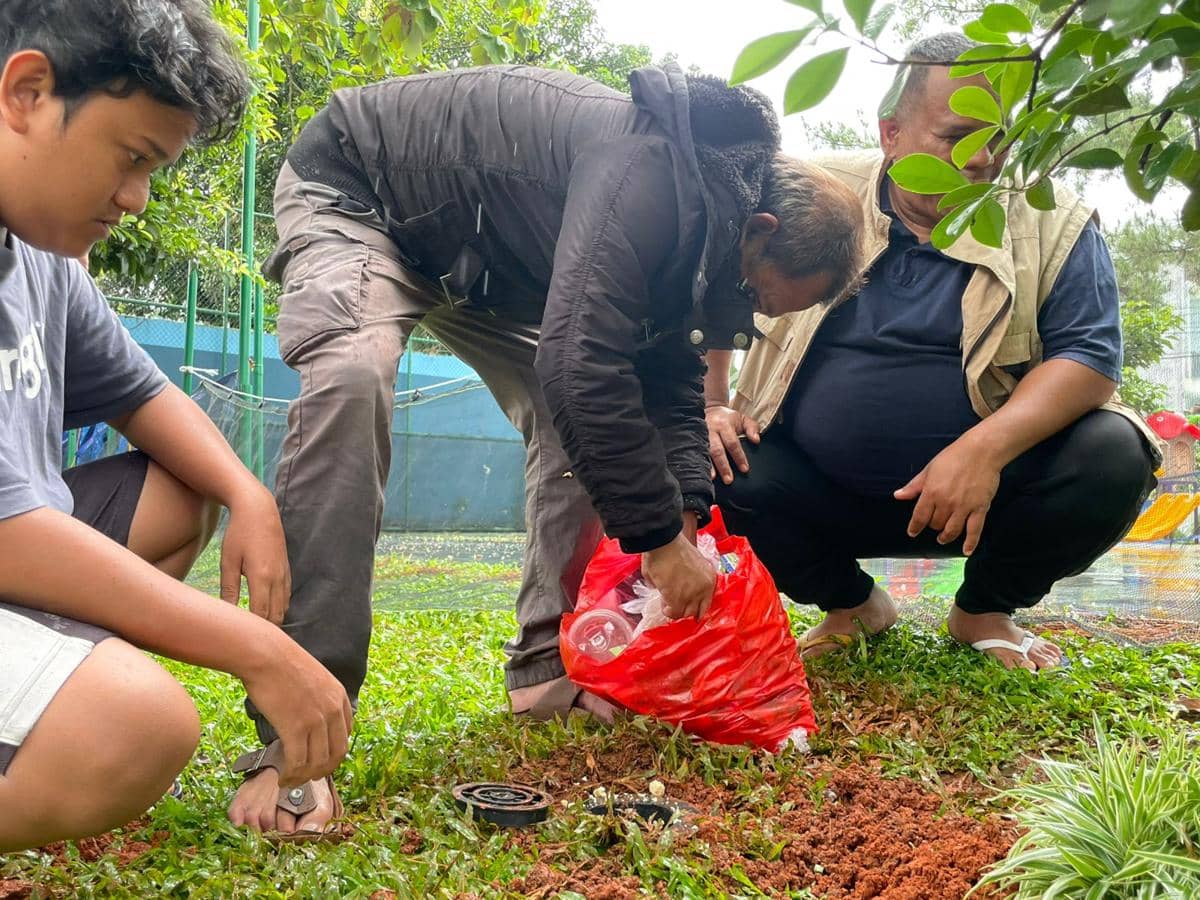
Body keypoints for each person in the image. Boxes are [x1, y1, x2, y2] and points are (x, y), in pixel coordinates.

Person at [241, 63, 865, 834]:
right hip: (364, 195)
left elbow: (671, 385)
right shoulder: (649, 177)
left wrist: (686, 518)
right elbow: (579, 365)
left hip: (486, 264)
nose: (748, 309)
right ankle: (293, 741)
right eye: (758, 294)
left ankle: (544, 673)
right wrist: (657, 541)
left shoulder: (709, 230)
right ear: (760, 230)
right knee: (354, 373)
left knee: (576, 416)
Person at [0, 0, 352, 852]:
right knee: (135, 725)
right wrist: (256, 649)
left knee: (185, 489)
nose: (136, 199)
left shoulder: (41, 254)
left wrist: (248, 496)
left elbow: (143, 395)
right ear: (28, 93)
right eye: (132, 158)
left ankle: (47, 683)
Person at [706, 33, 1161, 673]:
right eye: (957, 136)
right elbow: (714, 288)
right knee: (713, 458)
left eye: (999, 138)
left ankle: (983, 610)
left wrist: (982, 450)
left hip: (983, 501)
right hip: (817, 491)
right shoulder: (817, 191)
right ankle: (852, 604)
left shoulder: (1052, 218)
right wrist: (713, 404)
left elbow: (1089, 357)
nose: (984, 159)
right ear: (891, 133)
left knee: (1115, 453)